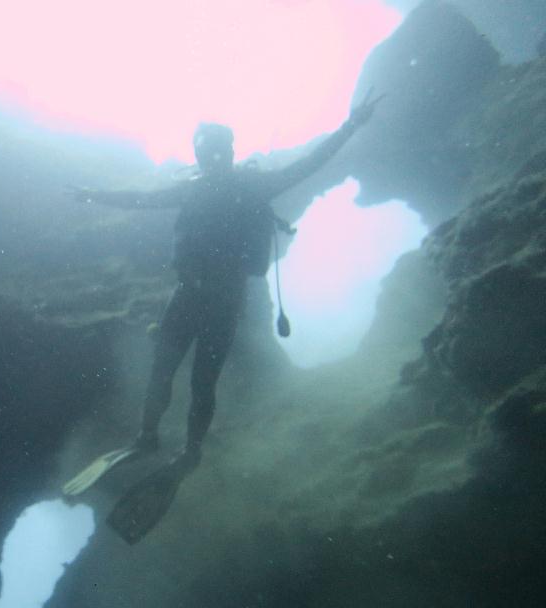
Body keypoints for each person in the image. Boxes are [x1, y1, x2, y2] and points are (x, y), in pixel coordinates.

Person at [64, 92, 381, 544]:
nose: (208, 156)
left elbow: (310, 164)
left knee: (199, 381)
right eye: (202, 149)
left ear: (228, 152)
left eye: (213, 149)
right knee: (164, 372)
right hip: (191, 296)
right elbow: (142, 198)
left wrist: (351, 126)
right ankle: (149, 438)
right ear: (199, 153)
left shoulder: (249, 186)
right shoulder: (196, 187)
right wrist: (95, 195)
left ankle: (186, 450)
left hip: (219, 300)